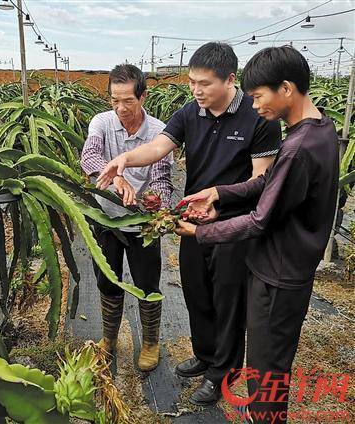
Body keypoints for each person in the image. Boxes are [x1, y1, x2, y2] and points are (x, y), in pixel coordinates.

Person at [96, 43, 281, 405]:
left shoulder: (258, 119)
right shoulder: (190, 111)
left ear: (230, 79)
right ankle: (205, 353)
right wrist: (125, 160)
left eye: (204, 84)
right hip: (194, 217)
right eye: (192, 82)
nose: (196, 90)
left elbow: (262, 180)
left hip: (233, 222)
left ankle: (222, 373)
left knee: (227, 299)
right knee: (197, 290)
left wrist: (218, 194)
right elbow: (158, 147)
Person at [175, 46, 339, 423]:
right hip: (288, 267)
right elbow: (268, 181)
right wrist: (220, 193)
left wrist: (201, 233)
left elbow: (259, 220)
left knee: (266, 370)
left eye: (258, 96)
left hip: (278, 274)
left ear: (285, 88)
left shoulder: (299, 147)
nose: (254, 105)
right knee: (270, 365)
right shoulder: (319, 129)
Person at [81, 64, 173, 371]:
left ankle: (150, 342)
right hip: (105, 217)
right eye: (114, 100)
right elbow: (90, 156)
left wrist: (156, 203)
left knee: (148, 283)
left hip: (142, 223)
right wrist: (116, 177)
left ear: (143, 96)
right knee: (108, 280)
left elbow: (161, 179)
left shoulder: (159, 132)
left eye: (128, 101)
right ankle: (109, 339)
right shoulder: (102, 123)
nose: (120, 108)